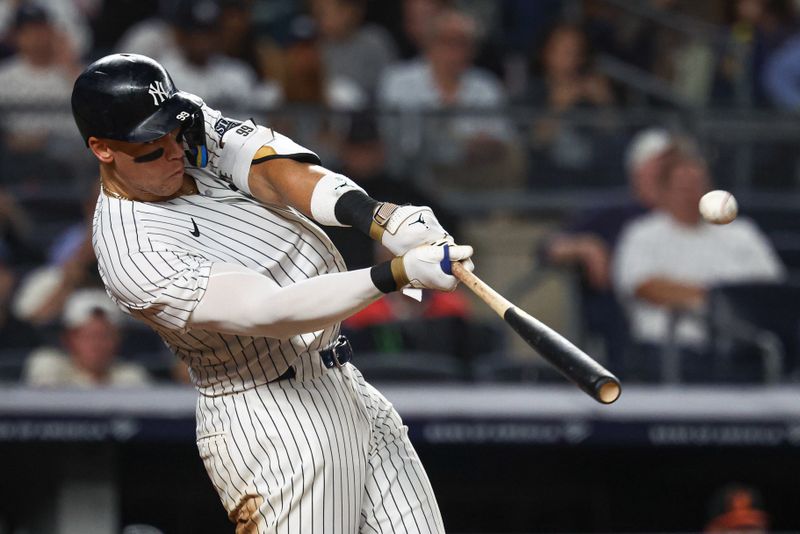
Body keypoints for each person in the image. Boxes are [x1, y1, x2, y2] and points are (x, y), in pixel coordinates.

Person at [71, 53, 472, 532]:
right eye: (152, 148)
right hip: (269, 417)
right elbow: (272, 311)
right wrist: (396, 273)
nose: (175, 151)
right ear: (102, 149)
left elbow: (271, 167)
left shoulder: (181, 125)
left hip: (343, 382)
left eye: (175, 134)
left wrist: (378, 218)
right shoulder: (131, 253)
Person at [613, 147, 784, 381]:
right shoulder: (642, 234)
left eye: (697, 185)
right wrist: (717, 298)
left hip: (742, 350)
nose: (690, 194)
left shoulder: (742, 233)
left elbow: (768, 287)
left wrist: (700, 296)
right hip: (670, 350)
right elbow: (644, 286)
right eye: (683, 187)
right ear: (664, 191)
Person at [22, 288, 151, 388]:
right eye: (89, 336)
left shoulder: (131, 377)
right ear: (69, 339)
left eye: (105, 336)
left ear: (118, 340)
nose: (98, 345)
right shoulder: (49, 366)